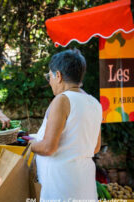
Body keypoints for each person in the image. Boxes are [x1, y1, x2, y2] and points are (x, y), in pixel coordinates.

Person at [31, 49, 102, 200]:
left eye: (49, 76)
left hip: (61, 188)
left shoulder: (62, 100)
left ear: (58, 76)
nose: (49, 81)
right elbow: (95, 147)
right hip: (86, 188)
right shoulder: (94, 103)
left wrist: (27, 144)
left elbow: (48, 147)